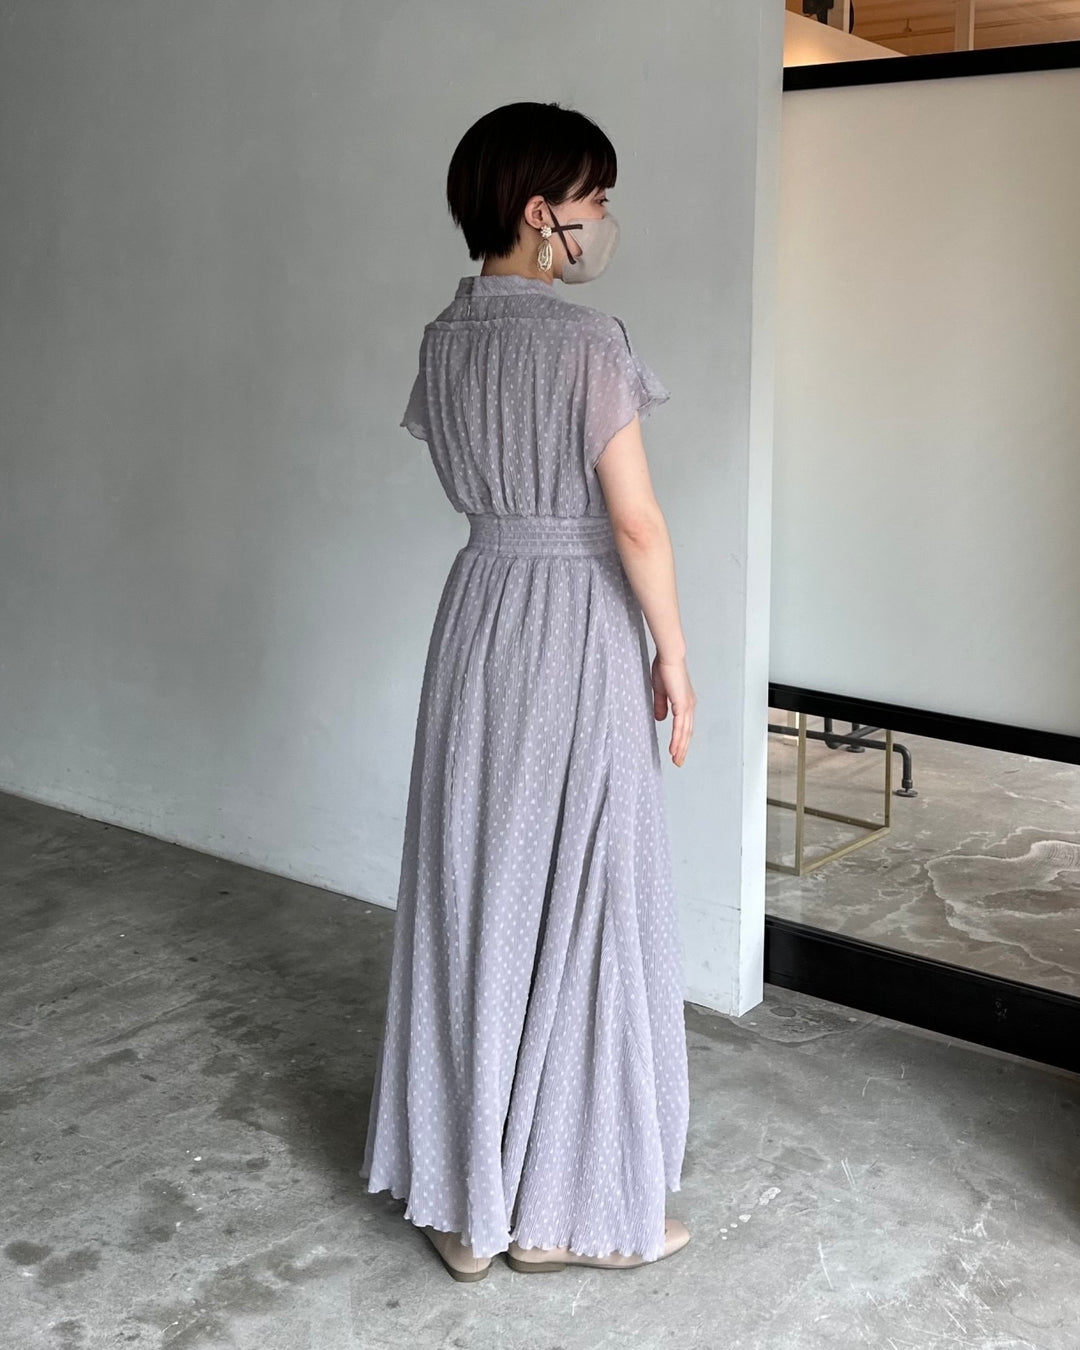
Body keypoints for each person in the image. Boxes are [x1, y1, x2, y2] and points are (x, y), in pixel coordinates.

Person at [359, 100, 696, 1282]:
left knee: (478, 886)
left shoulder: (443, 340)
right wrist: (675, 653)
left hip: (480, 614)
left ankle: (466, 1210)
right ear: (541, 210)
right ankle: (557, 1212)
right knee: (585, 887)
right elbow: (635, 521)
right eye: (594, 198)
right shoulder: (590, 341)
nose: (604, 219)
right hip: (578, 619)